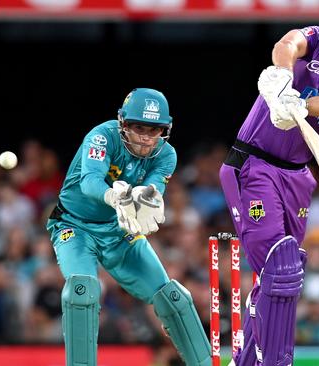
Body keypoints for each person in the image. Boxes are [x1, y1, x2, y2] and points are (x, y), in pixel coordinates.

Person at [218, 5, 319, 365]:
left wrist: (302, 106)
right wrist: (281, 77)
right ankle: (276, 359)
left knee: (283, 272)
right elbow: (289, 42)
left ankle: (245, 360)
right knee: (281, 266)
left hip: (297, 177)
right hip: (254, 164)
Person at [45, 88, 211, 366]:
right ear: (122, 123)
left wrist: (149, 199)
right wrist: (115, 196)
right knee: (81, 292)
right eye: (138, 128)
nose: (146, 138)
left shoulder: (166, 155)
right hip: (74, 225)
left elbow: (154, 189)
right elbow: (90, 182)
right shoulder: (101, 137)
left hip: (120, 228)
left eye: (154, 130)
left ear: (165, 130)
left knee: (172, 298)